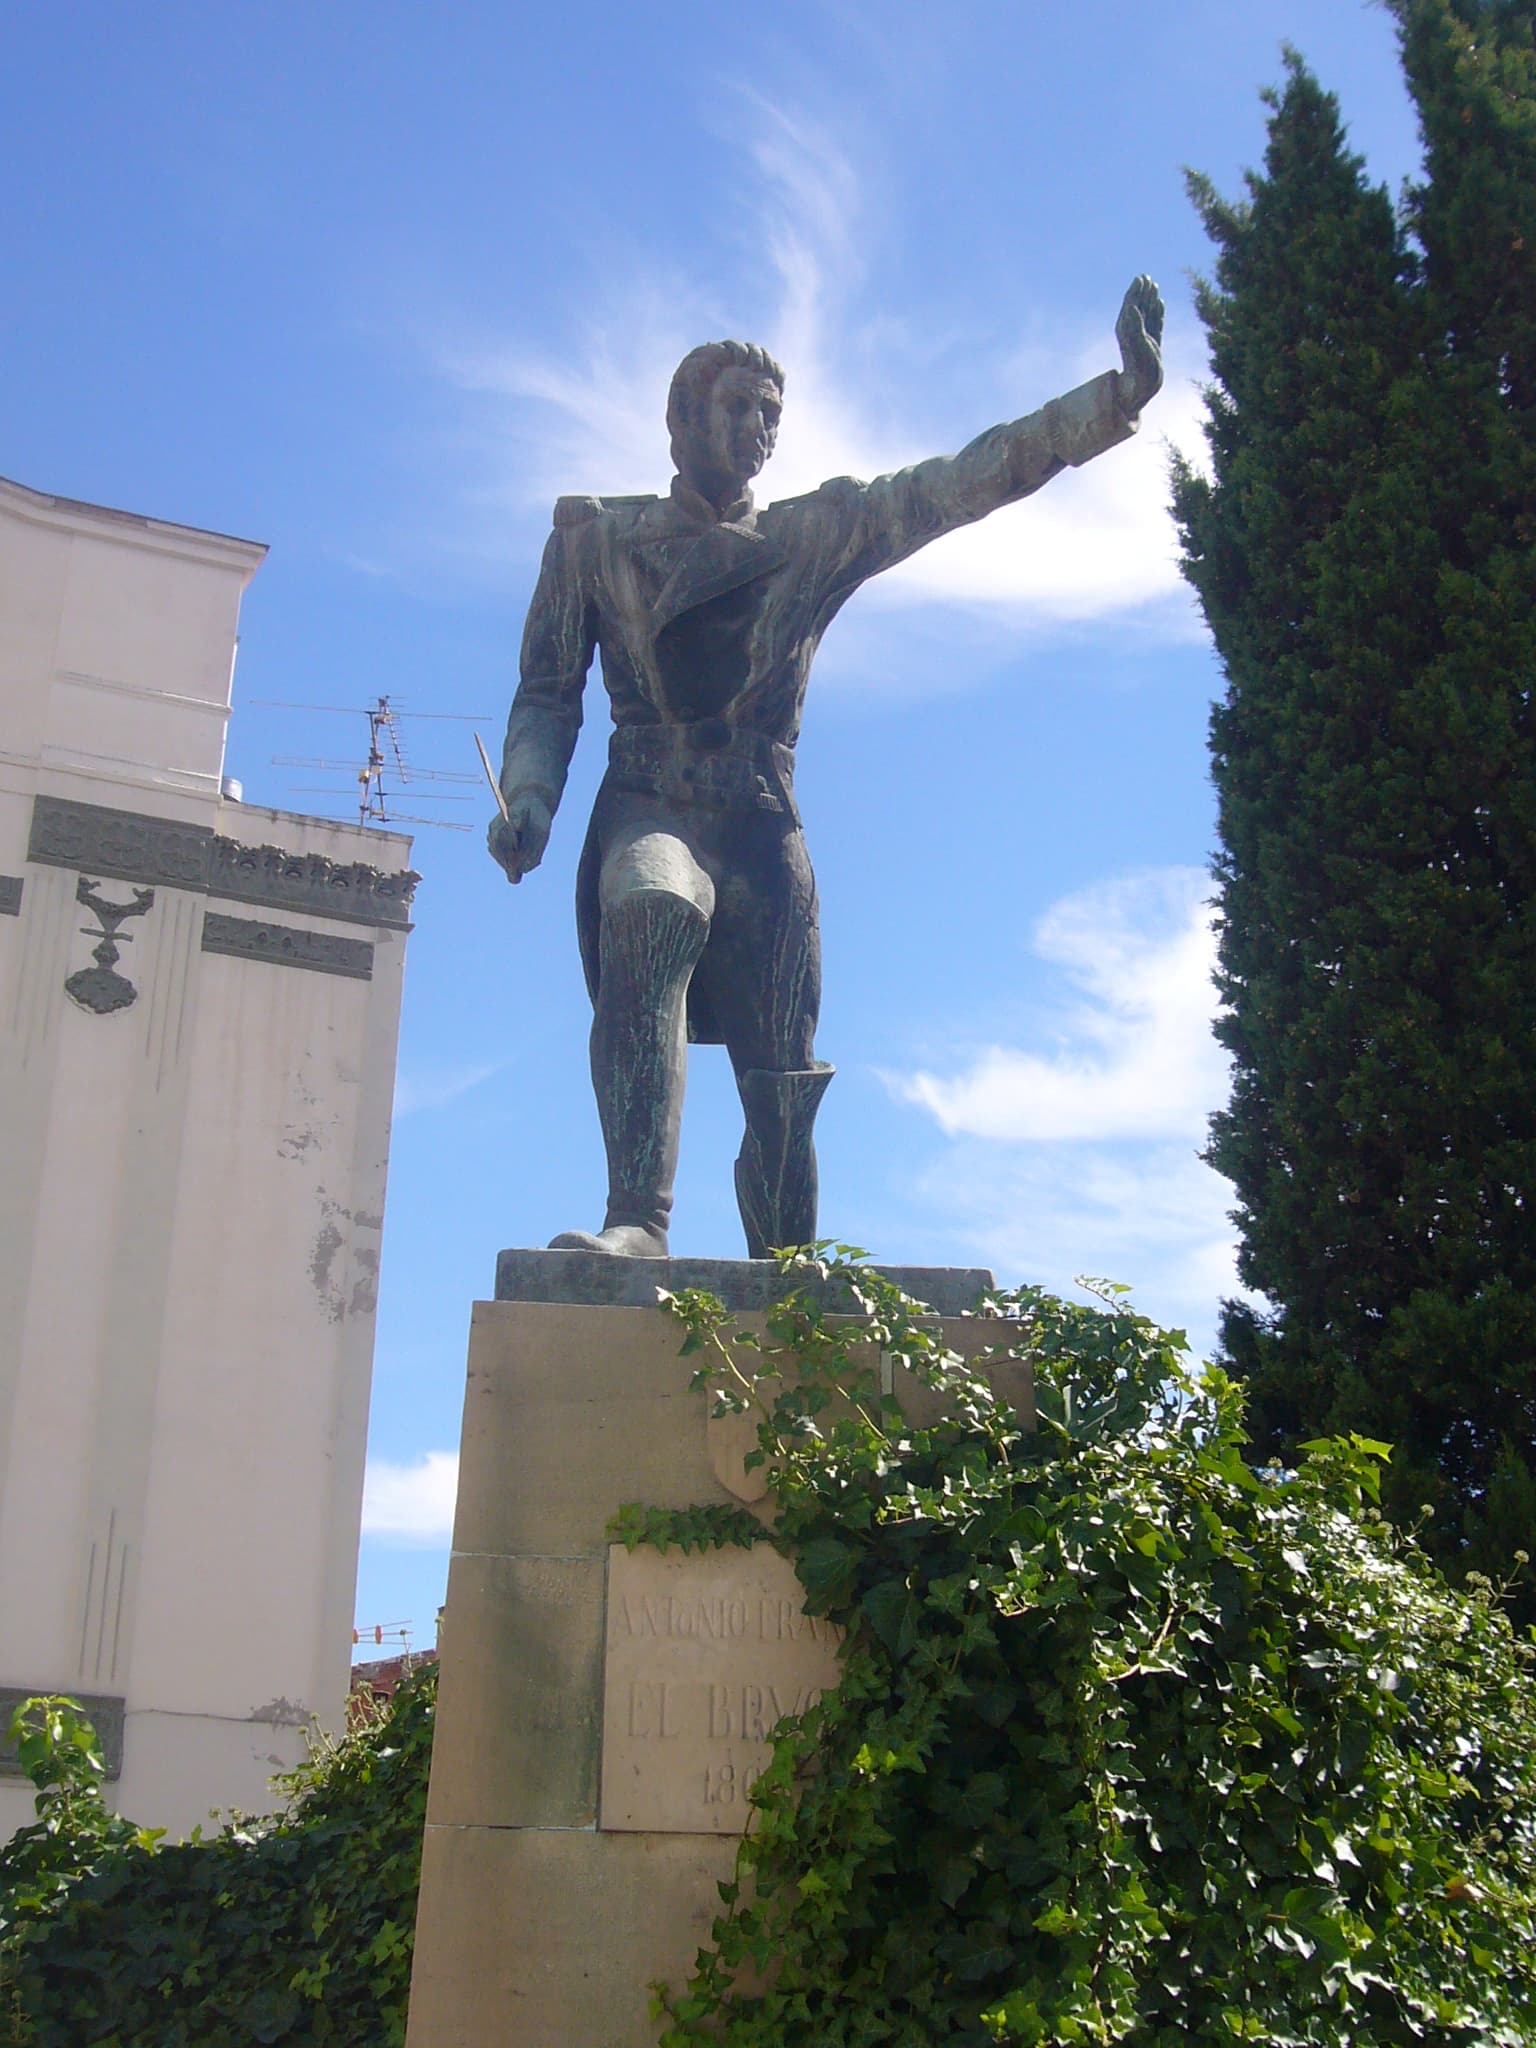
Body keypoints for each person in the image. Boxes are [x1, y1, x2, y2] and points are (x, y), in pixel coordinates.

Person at [489, 277, 1165, 1258]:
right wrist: (531, 796)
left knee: (782, 1067)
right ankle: (639, 1217)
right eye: (737, 406)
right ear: (680, 421)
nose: (759, 426)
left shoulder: (811, 535)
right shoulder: (596, 541)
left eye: (772, 412)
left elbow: (962, 480)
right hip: (650, 799)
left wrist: (1112, 400)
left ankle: (787, 1262)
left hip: (761, 818)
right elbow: (547, 691)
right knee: (650, 904)